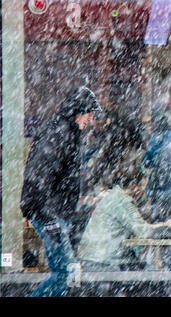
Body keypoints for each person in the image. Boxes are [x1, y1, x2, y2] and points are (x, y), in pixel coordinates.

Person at [20, 86, 102, 297]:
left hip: (55, 213)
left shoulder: (68, 133)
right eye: (89, 114)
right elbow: (39, 178)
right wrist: (48, 218)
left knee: (64, 274)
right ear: (79, 110)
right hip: (49, 214)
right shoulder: (59, 134)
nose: (90, 119)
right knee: (65, 274)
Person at [77, 113, 171, 271]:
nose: (141, 191)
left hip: (92, 260)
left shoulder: (114, 196)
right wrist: (168, 228)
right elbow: (144, 231)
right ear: (133, 185)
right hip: (104, 263)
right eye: (141, 186)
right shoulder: (121, 200)